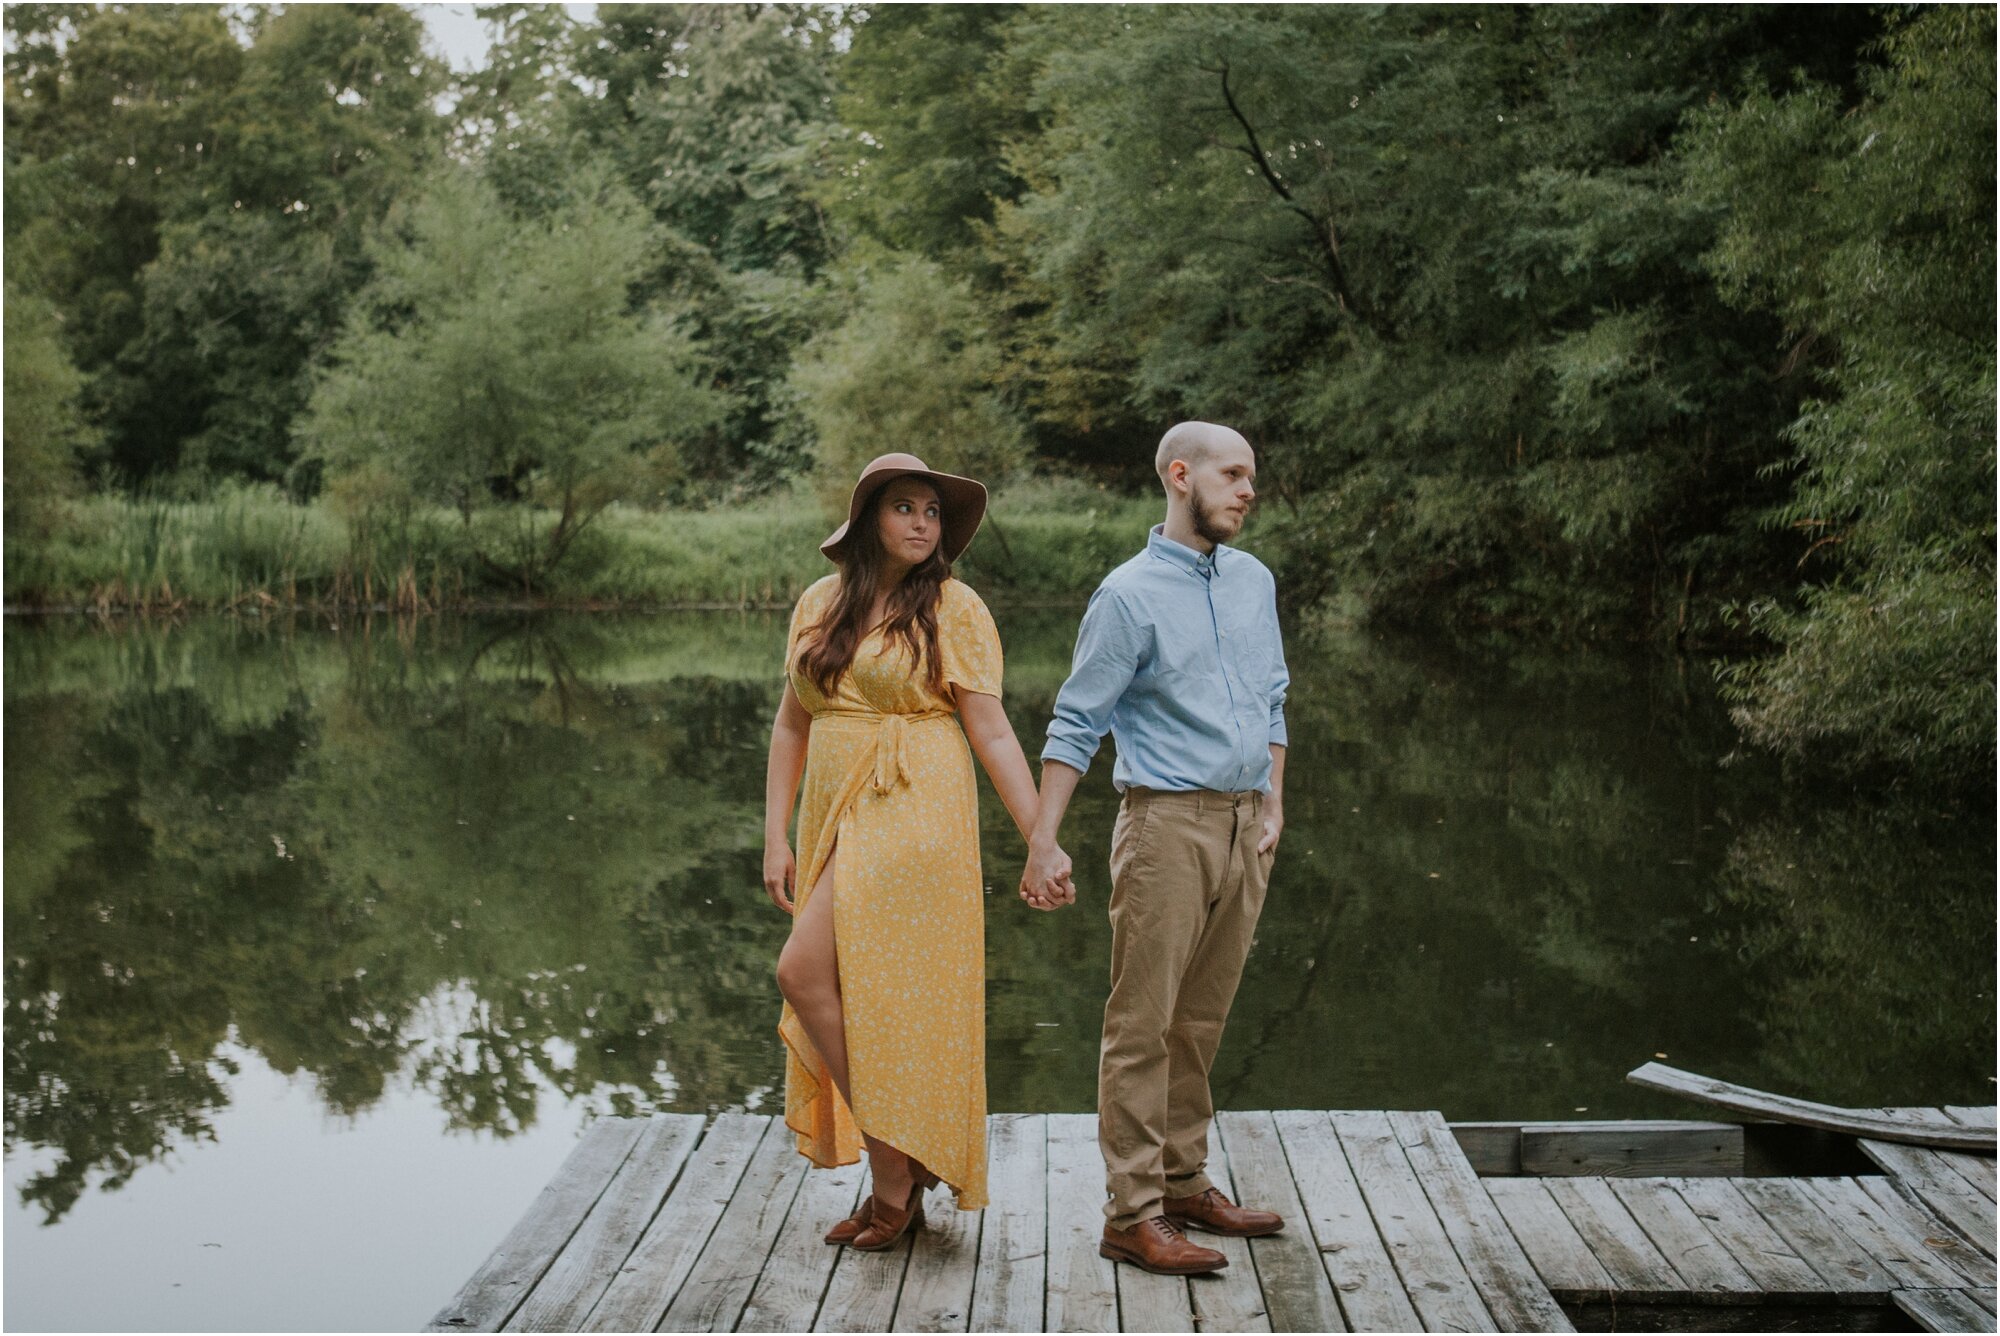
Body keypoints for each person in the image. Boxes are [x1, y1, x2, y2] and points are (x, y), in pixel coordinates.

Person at [763, 452, 1056, 1252]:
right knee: (841, 984)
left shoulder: (954, 608)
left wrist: (1042, 839)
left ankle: (895, 1177)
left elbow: (990, 730)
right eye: (906, 507)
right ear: (868, 521)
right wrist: (774, 837)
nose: (924, 523)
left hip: (916, 807)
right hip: (833, 812)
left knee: (814, 972)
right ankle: (901, 1161)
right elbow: (792, 724)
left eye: (933, 511)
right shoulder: (820, 602)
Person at [1020, 421, 1291, 1276]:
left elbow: (1274, 701)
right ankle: (1130, 1214)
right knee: (1143, 1024)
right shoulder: (1127, 595)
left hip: (1249, 826)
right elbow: (1076, 723)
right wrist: (1042, 842)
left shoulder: (1254, 581)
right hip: (1165, 826)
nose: (1250, 490)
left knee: (1201, 1020)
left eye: (1253, 476)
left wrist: (1275, 802)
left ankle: (1182, 1183)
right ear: (1181, 476)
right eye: (1234, 474)